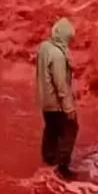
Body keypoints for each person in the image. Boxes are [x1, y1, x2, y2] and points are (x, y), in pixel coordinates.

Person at [37, 17, 79, 180]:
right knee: (71, 128)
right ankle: (62, 167)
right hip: (57, 103)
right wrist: (69, 107)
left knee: (51, 129)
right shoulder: (58, 55)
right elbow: (60, 84)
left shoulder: (44, 47)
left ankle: (48, 160)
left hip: (45, 101)